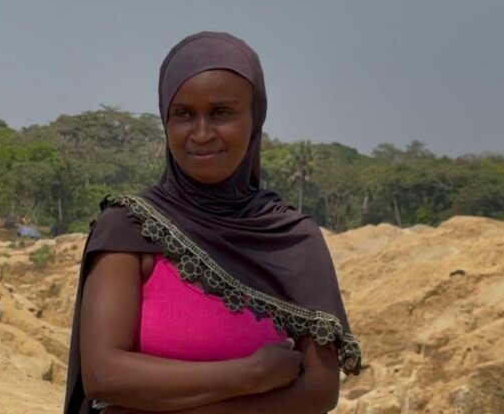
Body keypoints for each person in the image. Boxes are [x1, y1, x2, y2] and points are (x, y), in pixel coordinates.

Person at [65, 32, 361, 414]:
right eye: (183, 114)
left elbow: (319, 392)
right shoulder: (128, 227)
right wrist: (249, 375)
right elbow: (104, 374)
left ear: (255, 118)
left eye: (221, 112)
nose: (201, 134)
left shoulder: (294, 241)